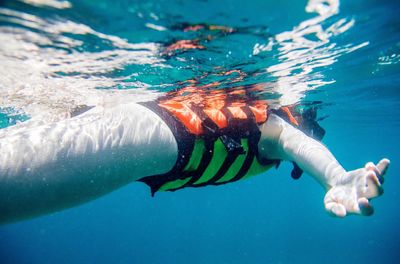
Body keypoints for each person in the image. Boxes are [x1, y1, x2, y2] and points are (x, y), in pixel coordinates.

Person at [0, 84, 389, 224]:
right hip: (158, 133)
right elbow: (298, 144)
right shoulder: (271, 127)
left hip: (146, 132)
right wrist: (336, 177)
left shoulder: (268, 131)